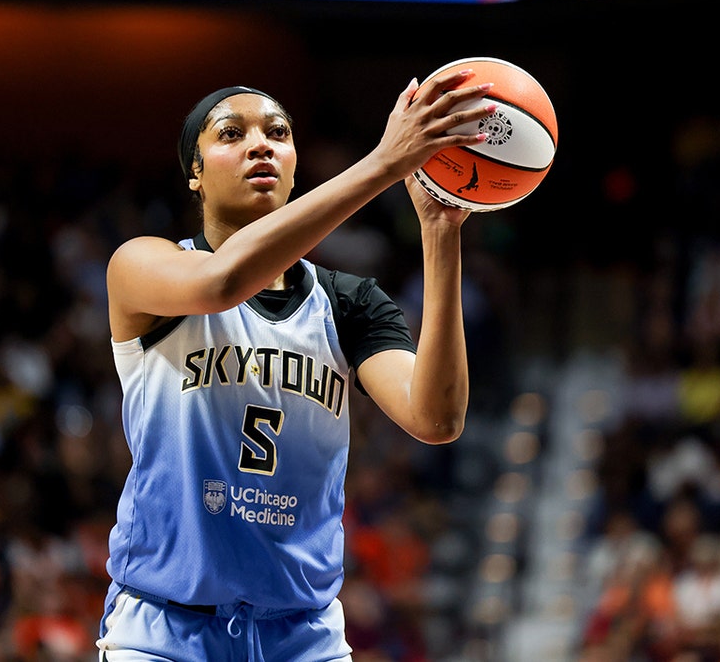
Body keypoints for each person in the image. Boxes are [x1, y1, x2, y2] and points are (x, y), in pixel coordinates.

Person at [97, 70, 495, 661]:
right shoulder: (143, 267)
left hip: (303, 636)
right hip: (163, 632)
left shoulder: (349, 303)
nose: (260, 143)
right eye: (231, 133)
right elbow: (223, 279)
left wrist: (440, 233)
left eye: (277, 132)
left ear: (293, 162)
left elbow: (436, 419)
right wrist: (384, 163)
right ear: (195, 175)